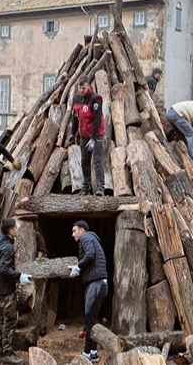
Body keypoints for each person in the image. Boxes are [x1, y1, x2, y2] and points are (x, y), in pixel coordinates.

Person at [0, 218, 30, 364]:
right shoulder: (7, 247)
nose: (18, 229)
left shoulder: (0, 243)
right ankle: (7, 353)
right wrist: (19, 276)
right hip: (6, 290)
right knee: (10, 321)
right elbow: (4, 268)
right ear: (10, 231)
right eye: (16, 227)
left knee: (1, 319)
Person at [70, 220, 108, 363]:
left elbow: (90, 255)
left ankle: (87, 353)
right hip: (100, 284)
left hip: (96, 284)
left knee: (89, 320)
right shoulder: (92, 238)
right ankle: (93, 352)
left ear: (82, 230)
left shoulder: (86, 238)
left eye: (74, 231)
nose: (73, 234)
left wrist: (78, 267)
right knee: (92, 319)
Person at [71, 76, 106, 196]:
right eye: (80, 88)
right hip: (84, 135)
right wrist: (72, 133)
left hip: (96, 135)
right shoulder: (76, 98)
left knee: (97, 161)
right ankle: (86, 187)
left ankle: (100, 187)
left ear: (88, 86)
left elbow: (97, 120)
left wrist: (93, 138)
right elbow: (75, 118)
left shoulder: (95, 99)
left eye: (84, 88)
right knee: (84, 162)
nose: (82, 91)